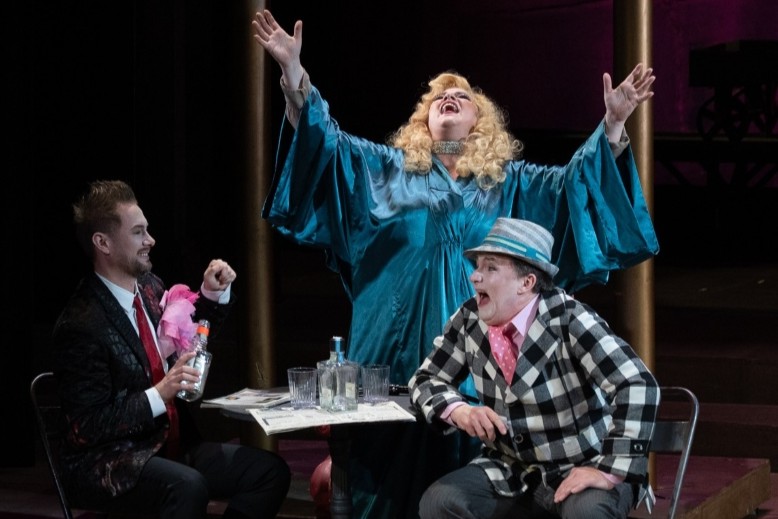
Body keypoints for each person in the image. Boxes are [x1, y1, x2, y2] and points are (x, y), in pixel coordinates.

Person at [252, 8, 659, 518]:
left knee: (466, 485)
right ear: (423, 121)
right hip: (391, 356)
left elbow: (575, 186)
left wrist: (613, 126)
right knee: (380, 486)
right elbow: (325, 147)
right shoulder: (381, 171)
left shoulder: (512, 184)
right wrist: (294, 77)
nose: (448, 96)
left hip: (479, 367)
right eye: (438, 97)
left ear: (480, 123)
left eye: (462, 96)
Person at [51, 180, 291, 519]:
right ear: (103, 243)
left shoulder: (150, 287)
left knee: (268, 472)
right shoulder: (81, 324)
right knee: (187, 486)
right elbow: (87, 425)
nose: (150, 240)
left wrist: (211, 294)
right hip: (109, 463)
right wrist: (159, 394)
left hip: (166, 445)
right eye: (138, 233)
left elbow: (189, 338)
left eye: (147, 230)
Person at [409, 217, 660, 519]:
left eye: (490, 268)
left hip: (583, 463)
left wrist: (609, 471)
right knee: (439, 502)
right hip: (511, 470)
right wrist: (459, 410)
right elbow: (426, 379)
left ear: (526, 283)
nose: (475, 277)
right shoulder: (469, 320)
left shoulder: (569, 319)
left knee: (586, 512)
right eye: (477, 266)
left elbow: (637, 382)